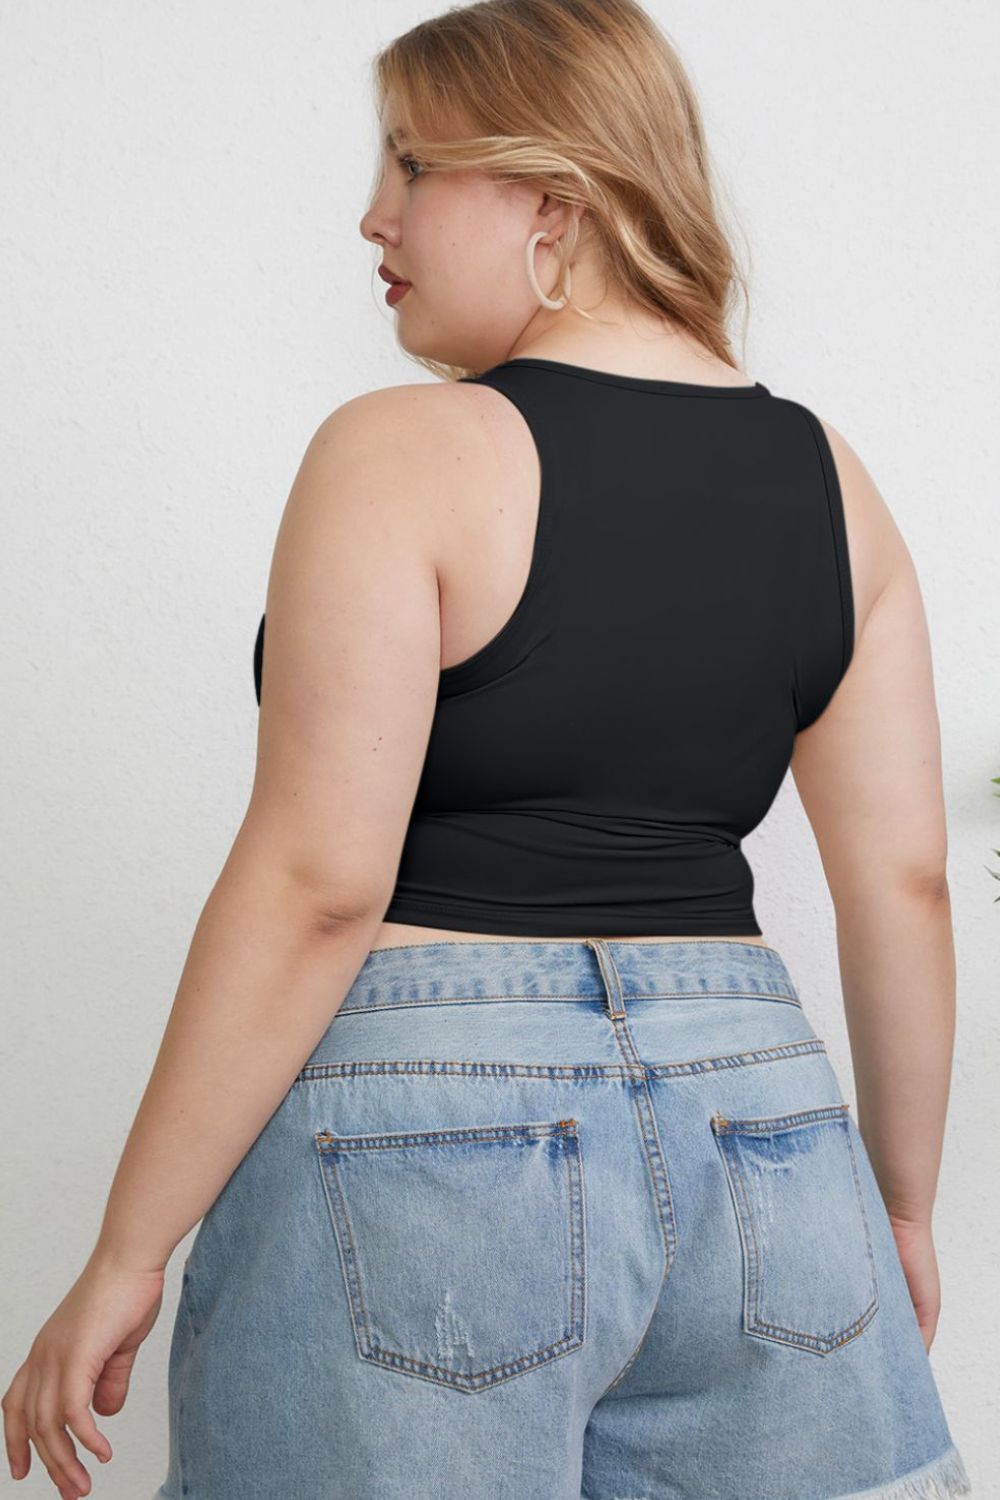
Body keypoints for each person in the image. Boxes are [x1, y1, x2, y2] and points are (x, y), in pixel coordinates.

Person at [3, 1, 972, 1496]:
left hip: (430, 1139)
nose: (372, 214)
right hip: (769, 1137)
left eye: (411, 162)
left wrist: (130, 1250)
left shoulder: (404, 452)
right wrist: (900, 1208)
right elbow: (902, 883)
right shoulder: (834, 483)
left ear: (555, 201)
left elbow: (323, 881)